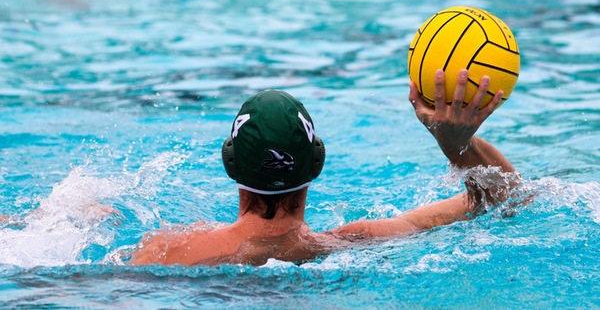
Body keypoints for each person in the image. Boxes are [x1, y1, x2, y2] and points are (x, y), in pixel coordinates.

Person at [128, 69, 522, 266]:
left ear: (230, 163)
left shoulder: (167, 251)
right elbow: (507, 198)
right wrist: (457, 145)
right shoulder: (352, 243)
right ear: (316, 163)